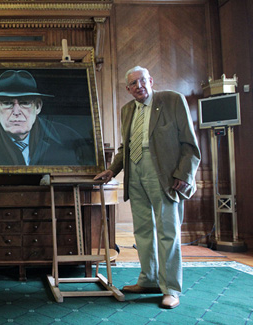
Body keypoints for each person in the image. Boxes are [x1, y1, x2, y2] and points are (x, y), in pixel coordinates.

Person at [94, 66, 200, 309]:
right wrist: (113, 170)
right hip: (135, 174)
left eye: (142, 81)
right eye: (133, 84)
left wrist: (184, 174)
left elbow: (189, 143)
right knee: (142, 231)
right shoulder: (127, 110)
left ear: (150, 80)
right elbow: (125, 147)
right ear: (128, 89)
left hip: (164, 174)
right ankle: (149, 279)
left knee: (167, 231)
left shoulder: (173, 100)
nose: (138, 86)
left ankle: (171, 288)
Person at [0, 69, 93, 165]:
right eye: (7, 103)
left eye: (25, 103)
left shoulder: (68, 137)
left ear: (38, 107)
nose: (16, 112)